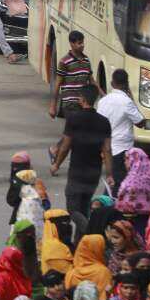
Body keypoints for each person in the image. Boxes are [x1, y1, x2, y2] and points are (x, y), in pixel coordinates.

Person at [50, 85, 113, 217]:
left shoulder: (73, 119)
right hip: (94, 172)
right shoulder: (104, 122)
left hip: (77, 171)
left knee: (73, 209)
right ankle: (83, 236)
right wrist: (109, 174)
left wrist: (56, 164)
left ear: (82, 99)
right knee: (84, 207)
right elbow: (107, 150)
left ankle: (84, 231)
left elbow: (65, 146)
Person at [96, 69, 145, 190]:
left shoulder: (103, 101)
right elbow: (140, 122)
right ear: (127, 84)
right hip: (121, 149)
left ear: (112, 83)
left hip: (105, 147)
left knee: (111, 182)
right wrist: (132, 99)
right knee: (119, 184)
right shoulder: (127, 102)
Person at [49, 30, 92, 120]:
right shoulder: (64, 61)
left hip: (82, 103)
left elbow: (92, 81)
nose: (82, 45)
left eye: (83, 42)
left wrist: (103, 95)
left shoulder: (86, 60)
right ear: (71, 44)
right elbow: (57, 85)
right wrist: (53, 106)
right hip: (70, 104)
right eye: (79, 43)